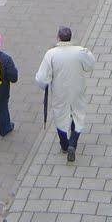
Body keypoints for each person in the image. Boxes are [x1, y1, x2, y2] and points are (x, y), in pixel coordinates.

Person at [35, 26, 95, 163]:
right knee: (78, 113)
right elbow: (90, 64)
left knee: (60, 115)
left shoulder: (51, 54)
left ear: (58, 38)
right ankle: (73, 142)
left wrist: (43, 84)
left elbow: (42, 78)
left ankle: (64, 144)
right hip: (77, 89)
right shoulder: (80, 51)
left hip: (60, 91)